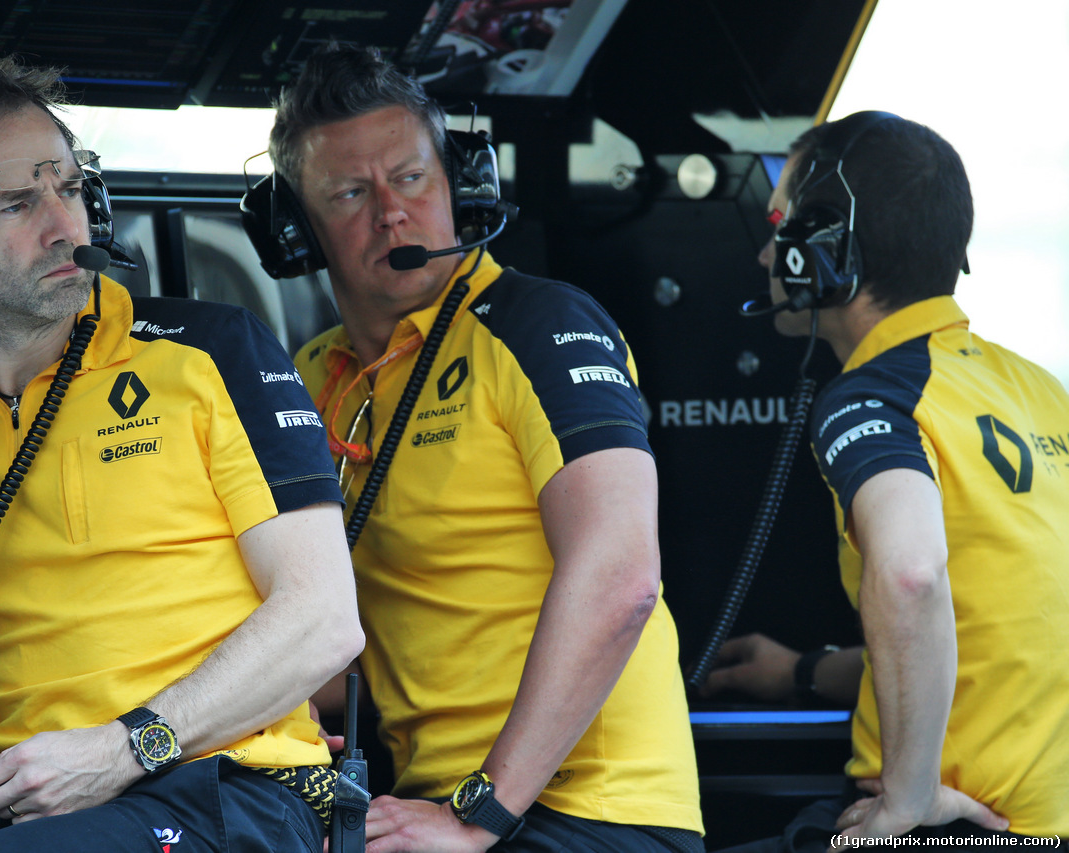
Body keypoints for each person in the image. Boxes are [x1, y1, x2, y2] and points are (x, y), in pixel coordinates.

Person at [0, 57, 364, 853]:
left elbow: (324, 620)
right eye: (16, 200)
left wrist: (121, 747)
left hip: (233, 787)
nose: (65, 225)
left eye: (70, 189)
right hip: (37, 795)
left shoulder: (209, 353)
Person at [257, 44, 704, 853]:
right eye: (351, 192)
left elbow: (623, 577)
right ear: (294, 229)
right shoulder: (309, 377)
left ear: (462, 185)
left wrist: (477, 815)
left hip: (588, 814)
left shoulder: (537, 325)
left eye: (412, 177)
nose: (391, 212)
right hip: (429, 809)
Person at [721, 110, 1069, 847]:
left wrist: (905, 801)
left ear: (825, 245)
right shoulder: (1040, 389)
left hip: (962, 824)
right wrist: (802, 674)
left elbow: (912, 576)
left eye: (780, 223)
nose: (763, 254)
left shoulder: (875, 395)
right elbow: (991, 634)